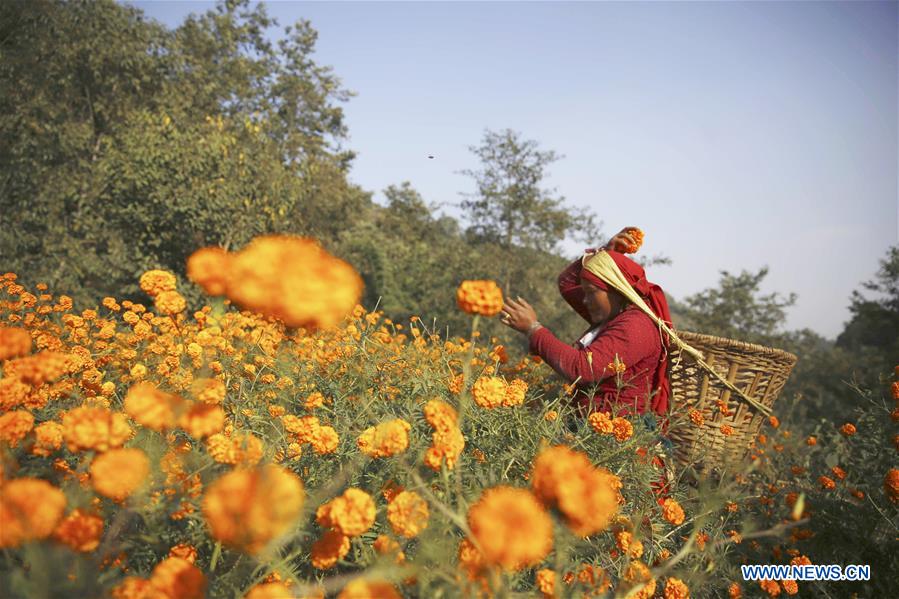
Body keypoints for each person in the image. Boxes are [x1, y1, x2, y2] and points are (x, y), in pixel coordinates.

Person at [499, 228, 672, 420]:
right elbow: (567, 283)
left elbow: (581, 369)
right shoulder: (615, 316)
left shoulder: (635, 326)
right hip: (591, 428)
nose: (584, 300)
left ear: (616, 288)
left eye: (590, 292)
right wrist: (605, 253)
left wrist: (534, 330)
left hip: (612, 438)